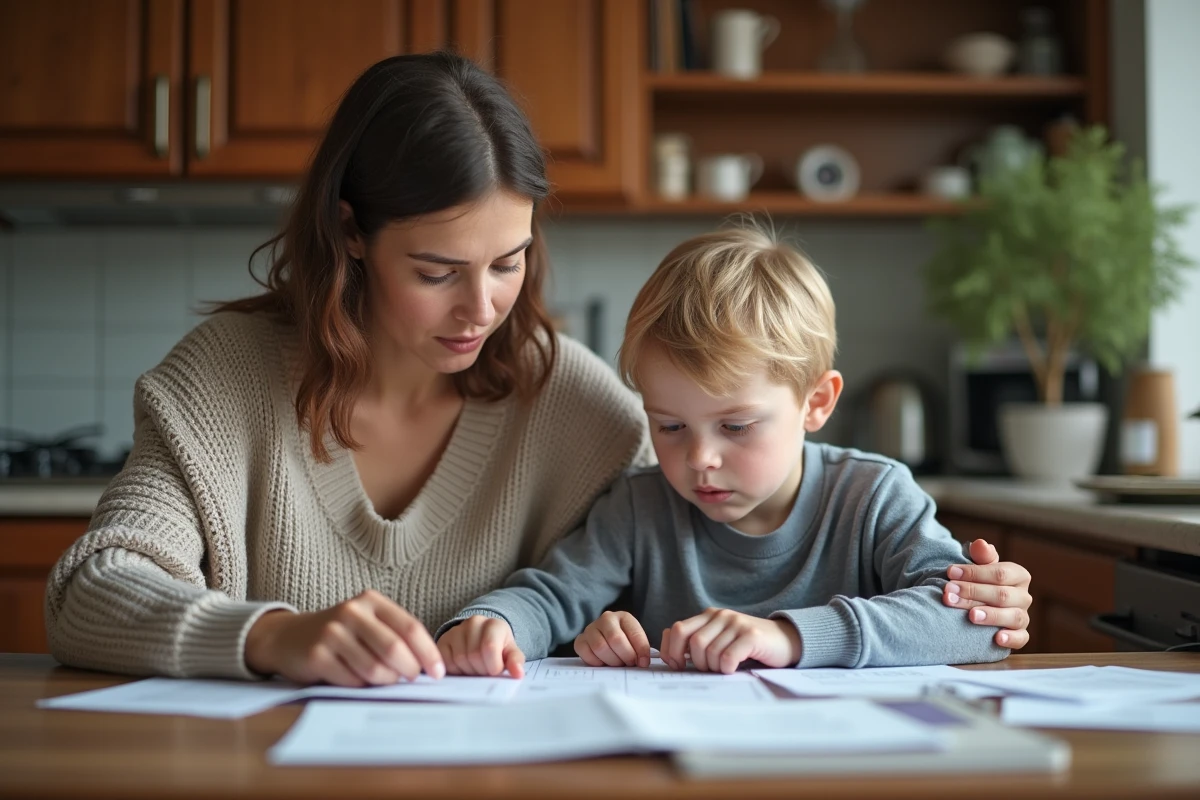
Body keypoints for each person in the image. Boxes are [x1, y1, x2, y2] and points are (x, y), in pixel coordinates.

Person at [44, 53, 1030, 687]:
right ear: (351, 235)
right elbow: (90, 591)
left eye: (509, 262)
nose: (484, 307)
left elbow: (693, 535)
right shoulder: (221, 383)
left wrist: (972, 606)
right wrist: (270, 636)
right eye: (437, 271)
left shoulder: (585, 407)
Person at [437, 224, 1031, 676]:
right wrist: (492, 625)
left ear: (816, 402)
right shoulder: (640, 507)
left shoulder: (873, 496)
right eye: (669, 427)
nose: (699, 459)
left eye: (737, 427)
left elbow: (974, 623)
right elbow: (551, 596)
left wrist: (789, 638)